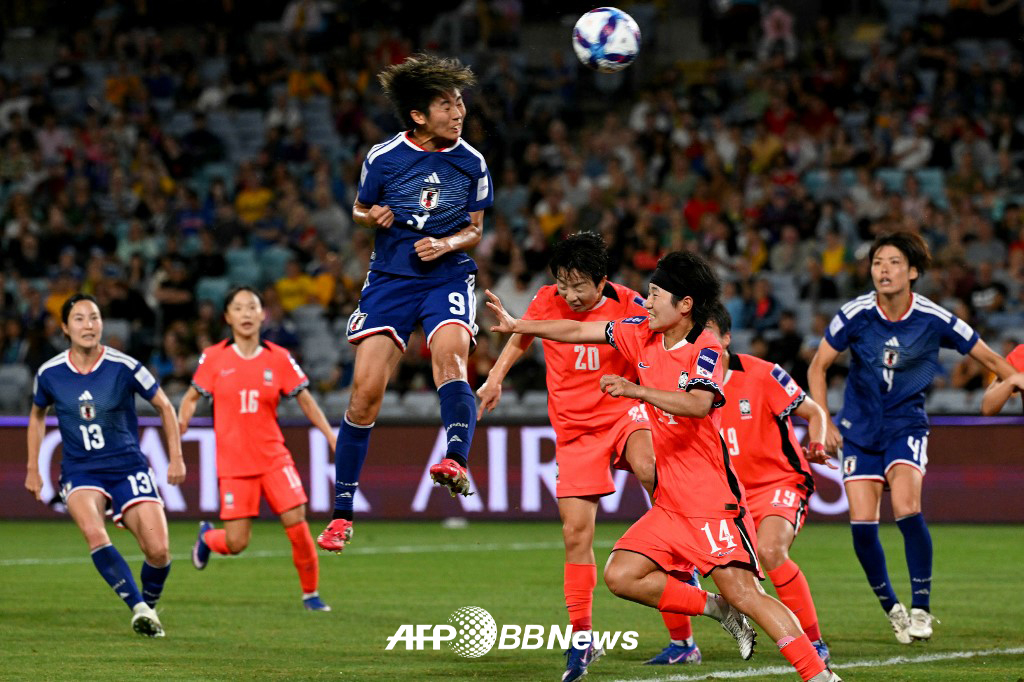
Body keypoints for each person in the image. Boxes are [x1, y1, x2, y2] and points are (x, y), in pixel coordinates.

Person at [487, 252, 841, 682]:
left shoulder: (704, 348)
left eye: (655, 295)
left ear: (685, 305)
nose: (646, 303)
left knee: (746, 592)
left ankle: (819, 676)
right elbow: (579, 330)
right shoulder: (639, 334)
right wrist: (519, 325)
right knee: (622, 574)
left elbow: (697, 404)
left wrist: (636, 390)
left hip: (710, 500)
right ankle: (713, 607)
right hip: (671, 503)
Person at [317, 53, 493, 552]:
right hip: (391, 279)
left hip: (447, 276)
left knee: (452, 359)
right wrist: (370, 216)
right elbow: (357, 209)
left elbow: (476, 229)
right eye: (445, 104)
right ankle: (342, 514)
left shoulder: (472, 162)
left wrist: (446, 244)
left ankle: (455, 458)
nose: (458, 112)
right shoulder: (385, 157)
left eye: (459, 102)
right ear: (419, 116)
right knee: (364, 394)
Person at [808, 231, 1016, 644]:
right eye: (877, 263)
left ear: (914, 271)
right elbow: (817, 366)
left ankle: (921, 608)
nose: (883, 270)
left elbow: (992, 360)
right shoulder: (853, 314)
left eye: (894, 263)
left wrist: (1013, 381)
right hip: (860, 431)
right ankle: (895, 610)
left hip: (906, 425)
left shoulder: (935, 318)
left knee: (906, 506)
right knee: (863, 529)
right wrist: (822, 420)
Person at [476, 232, 656, 681]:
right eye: (562, 284)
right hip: (575, 431)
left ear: (602, 281)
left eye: (579, 286)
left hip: (624, 411)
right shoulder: (546, 300)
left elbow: (658, 347)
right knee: (576, 536)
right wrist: (496, 377)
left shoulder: (631, 303)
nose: (570, 295)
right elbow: (520, 338)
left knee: (652, 470)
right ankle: (582, 641)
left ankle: (680, 544)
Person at [646, 301, 835, 666]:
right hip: (722, 495)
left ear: (728, 338)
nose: (701, 342)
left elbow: (814, 411)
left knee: (770, 551)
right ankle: (683, 644)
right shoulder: (681, 385)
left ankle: (813, 642)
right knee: (667, 557)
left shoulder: (763, 374)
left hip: (778, 483)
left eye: (709, 333)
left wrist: (816, 440)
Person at [25, 293, 185, 637]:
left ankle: (150, 606)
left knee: (158, 551)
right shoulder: (50, 373)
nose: (89, 325)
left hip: (128, 466)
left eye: (95, 317)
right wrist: (32, 468)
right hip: (81, 469)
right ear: (65, 327)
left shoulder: (124, 366)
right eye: (80, 319)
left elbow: (165, 406)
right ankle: (139, 608)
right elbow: (37, 415)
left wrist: (176, 458)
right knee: (94, 533)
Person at [178, 287, 337, 611]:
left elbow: (305, 400)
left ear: (263, 314)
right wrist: (179, 431)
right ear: (228, 317)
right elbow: (192, 397)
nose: (247, 314)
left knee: (296, 517)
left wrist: (331, 436)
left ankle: (311, 595)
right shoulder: (214, 357)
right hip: (234, 463)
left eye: (253, 307)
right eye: (239, 308)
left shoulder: (278, 358)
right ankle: (208, 538)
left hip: (272, 456)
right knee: (236, 543)